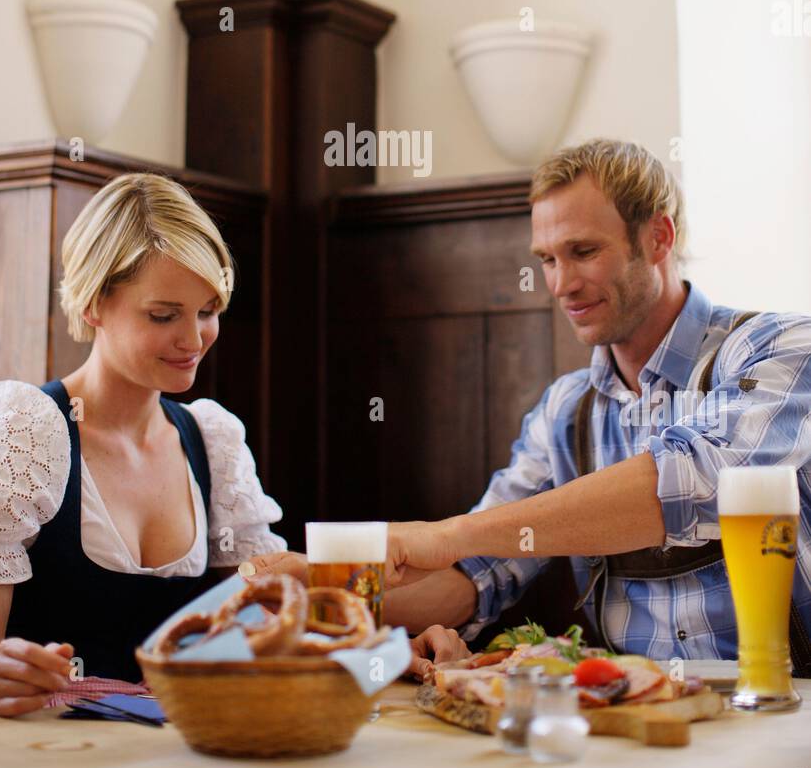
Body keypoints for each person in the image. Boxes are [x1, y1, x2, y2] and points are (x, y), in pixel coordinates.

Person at [247, 139, 811, 679]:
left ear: (658, 237)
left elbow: (691, 477)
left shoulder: (777, 348)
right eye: (546, 259)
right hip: (638, 713)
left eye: (583, 252)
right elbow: (477, 574)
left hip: (787, 710)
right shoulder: (565, 410)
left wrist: (448, 534)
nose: (561, 284)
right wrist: (324, 590)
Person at [0, 173, 285, 716]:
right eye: (163, 315)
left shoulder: (213, 442)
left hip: (183, 752)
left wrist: (388, 643)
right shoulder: (19, 432)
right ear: (93, 304)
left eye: (207, 311)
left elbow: (265, 614)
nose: (194, 340)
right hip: (46, 752)